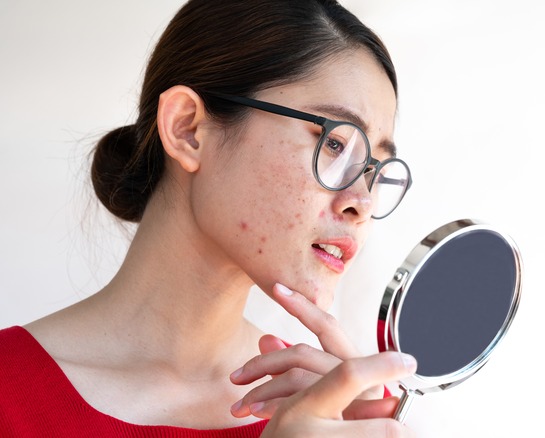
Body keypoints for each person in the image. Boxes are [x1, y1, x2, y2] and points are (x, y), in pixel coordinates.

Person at [0, 0, 418, 436]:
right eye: (335, 144)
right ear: (188, 129)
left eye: (376, 169)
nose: (362, 202)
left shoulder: (346, 418)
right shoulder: (9, 394)